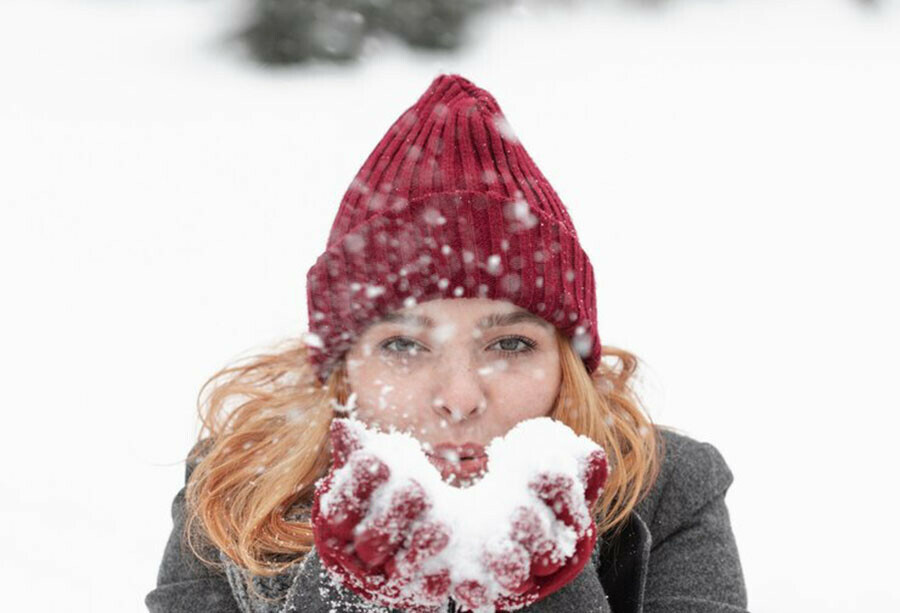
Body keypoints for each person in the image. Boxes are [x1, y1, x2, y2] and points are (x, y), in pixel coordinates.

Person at [145, 74, 748, 613]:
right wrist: (354, 601)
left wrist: (549, 596)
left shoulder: (668, 492)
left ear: (570, 365)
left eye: (509, 345)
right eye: (404, 347)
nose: (459, 399)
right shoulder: (234, 489)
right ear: (342, 369)